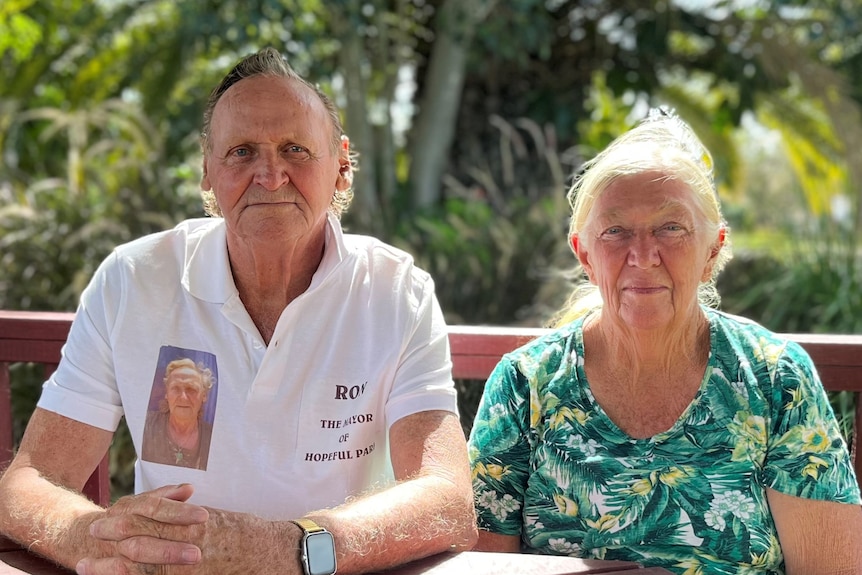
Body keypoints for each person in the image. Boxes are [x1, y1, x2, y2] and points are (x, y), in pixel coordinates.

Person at [0, 47, 477, 575]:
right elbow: (31, 480)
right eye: (242, 152)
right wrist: (102, 542)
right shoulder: (132, 280)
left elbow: (447, 500)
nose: (270, 175)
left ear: (341, 165)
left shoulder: (397, 291)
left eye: (295, 149)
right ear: (208, 168)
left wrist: (282, 549)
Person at [467, 108, 862, 574]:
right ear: (585, 254)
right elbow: (484, 565)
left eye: (670, 228)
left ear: (712, 250)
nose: (643, 255)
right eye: (616, 231)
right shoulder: (525, 384)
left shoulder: (775, 376)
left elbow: (831, 569)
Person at [141, 357, 216, 469]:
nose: (183, 398)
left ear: (204, 395)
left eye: (191, 389)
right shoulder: (146, 426)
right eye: (175, 389)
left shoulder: (213, 439)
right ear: (166, 393)